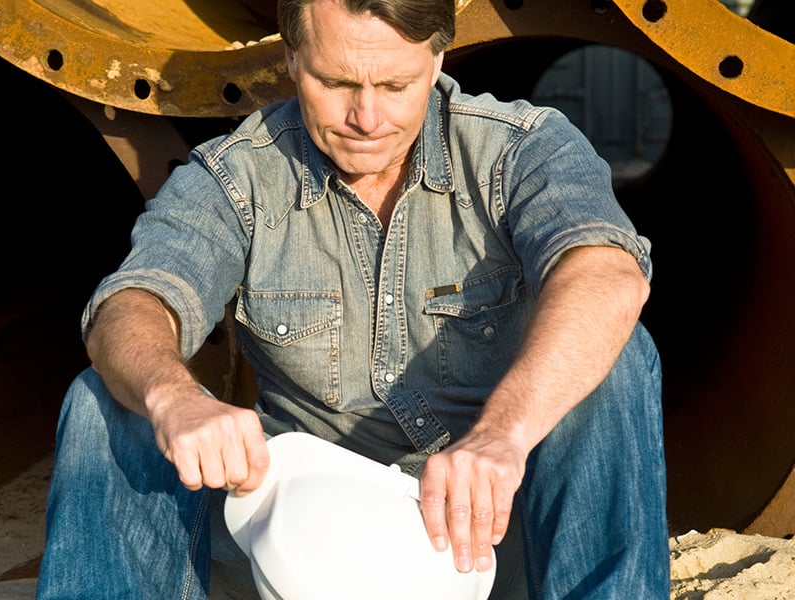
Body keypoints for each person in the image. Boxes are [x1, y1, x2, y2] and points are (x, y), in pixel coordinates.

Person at [37, 0, 670, 597]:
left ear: (439, 59)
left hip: (495, 530)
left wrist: (502, 436)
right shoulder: (236, 177)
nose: (366, 118)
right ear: (290, 58)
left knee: (614, 356)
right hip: (295, 534)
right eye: (336, 83)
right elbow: (135, 300)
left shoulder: (520, 149)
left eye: (395, 87)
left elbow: (606, 274)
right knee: (111, 400)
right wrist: (172, 399)